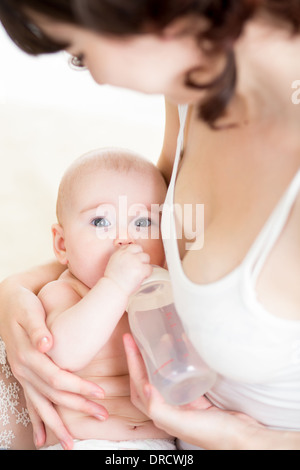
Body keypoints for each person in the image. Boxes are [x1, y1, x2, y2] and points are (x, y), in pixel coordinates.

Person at [0, 0, 300, 450]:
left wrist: (242, 438)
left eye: (81, 51)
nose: (97, 75)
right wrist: (17, 290)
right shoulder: (194, 90)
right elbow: (144, 228)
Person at [36, 147, 175, 450]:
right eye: (101, 222)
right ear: (62, 245)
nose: (124, 238)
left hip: (159, 445)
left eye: (143, 223)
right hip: (84, 442)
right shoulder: (64, 293)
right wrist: (115, 284)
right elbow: (65, 353)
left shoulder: (162, 295)